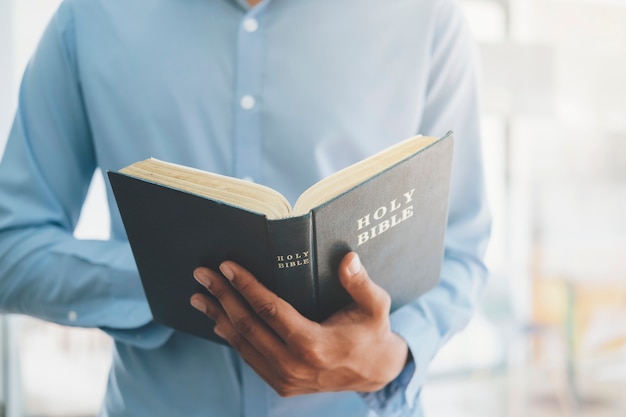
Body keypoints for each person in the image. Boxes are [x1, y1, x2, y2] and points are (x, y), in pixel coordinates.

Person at [0, 0, 491, 415]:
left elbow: (462, 246)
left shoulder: (425, 16)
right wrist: (170, 282)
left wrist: (394, 357)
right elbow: (11, 244)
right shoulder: (91, 16)